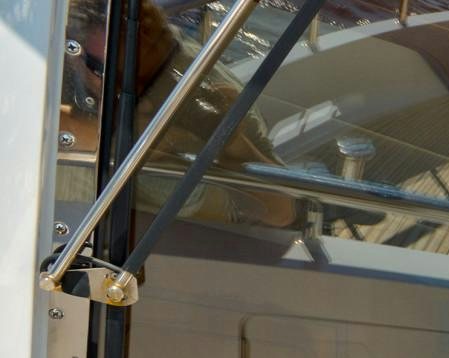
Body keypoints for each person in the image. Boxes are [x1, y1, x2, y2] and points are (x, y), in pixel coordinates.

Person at [60, 0, 296, 227]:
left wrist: (231, 143)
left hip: (184, 227)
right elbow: (53, 129)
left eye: (144, 60)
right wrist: (143, 137)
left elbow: (282, 212)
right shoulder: (53, 70)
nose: (131, 81)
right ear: (74, 55)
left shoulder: (200, 83)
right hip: (88, 223)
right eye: (110, 69)